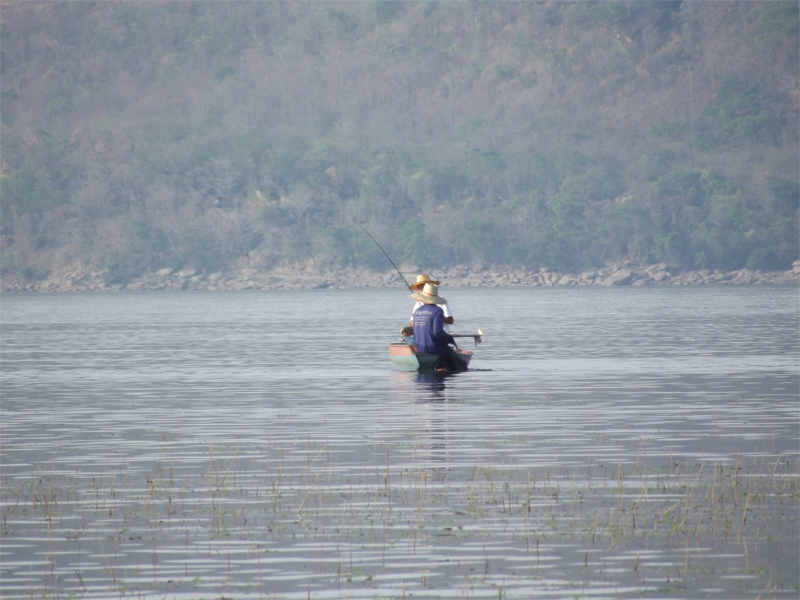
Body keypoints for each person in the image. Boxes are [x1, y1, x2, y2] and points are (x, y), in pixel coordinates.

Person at [411, 282, 468, 372]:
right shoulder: (437, 311)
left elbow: (415, 330)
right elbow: (437, 332)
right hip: (435, 348)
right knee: (461, 366)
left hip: (420, 347)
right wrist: (450, 339)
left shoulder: (417, 311)